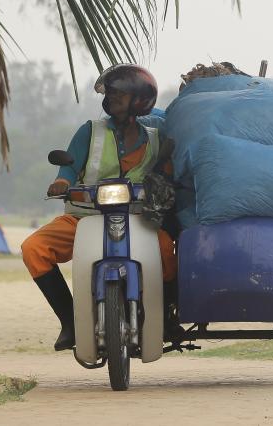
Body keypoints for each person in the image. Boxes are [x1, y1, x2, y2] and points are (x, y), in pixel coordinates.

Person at [21, 64, 178, 351]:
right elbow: (69, 167)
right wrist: (60, 181)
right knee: (33, 248)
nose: (111, 97)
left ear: (140, 100)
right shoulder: (89, 131)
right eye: (111, 91)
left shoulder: (155, 141)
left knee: (167, 249)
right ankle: (70, 321)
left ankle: (165, 316)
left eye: (120, 93)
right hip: (86, 217)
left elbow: (166, 177)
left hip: (137, 218)